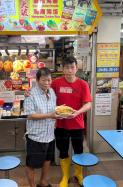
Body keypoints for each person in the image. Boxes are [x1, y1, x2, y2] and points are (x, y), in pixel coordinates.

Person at [51, 56, 92, 187]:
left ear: (76, 68)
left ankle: (78, 175)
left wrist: (78, 112)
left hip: (77, 124)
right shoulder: (56, 83)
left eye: (72, 67)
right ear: (62, 69)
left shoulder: (83, 84)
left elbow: (88, 104)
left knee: (78, 150)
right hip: (61, 124)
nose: (69, 70)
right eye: (67, 67)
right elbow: (46, 95)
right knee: (63, 150)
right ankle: (65, 176)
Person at [24, 67, 60, 187]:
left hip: (49, 134)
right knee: (31, 164)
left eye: (49, 80)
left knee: (47, 159)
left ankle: (43, 182)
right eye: (44, 80)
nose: (47, 83)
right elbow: (30, 115)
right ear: (38, 80)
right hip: (36, 136)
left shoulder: (52, 92)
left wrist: (58, 115)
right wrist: (49, 115)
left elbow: (54, 109)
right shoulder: (31, 94)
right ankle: (32, 185)